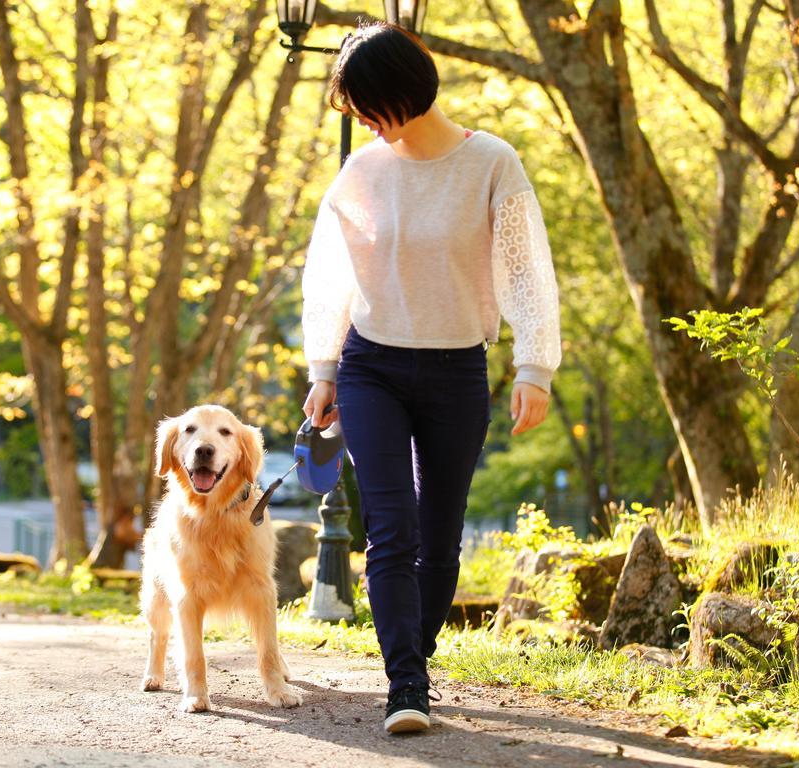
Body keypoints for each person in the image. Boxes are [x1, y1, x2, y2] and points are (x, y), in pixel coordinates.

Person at [300, 22, 561, 734]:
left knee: (440, 536)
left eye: (362, 104)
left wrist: (534, 365)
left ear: (399, 92)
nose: (356, 119)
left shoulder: (492, 164)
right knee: (391, 527)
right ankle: (405, 684)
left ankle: (417, 656)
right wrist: (323, 369)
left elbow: (525, 272)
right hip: (371, 367)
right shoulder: (361, 174)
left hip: (456, 371)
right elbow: (330, 276)